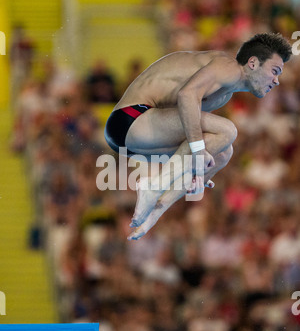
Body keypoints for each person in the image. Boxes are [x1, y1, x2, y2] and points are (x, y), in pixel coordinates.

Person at [104, 33, 292, 240]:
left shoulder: (223, 94)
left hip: (137, 138)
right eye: (275, 71)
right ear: (253, 63)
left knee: (224, 151)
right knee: (227, 131)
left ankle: (156, 210)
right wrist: (197, 152)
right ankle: (154, 186)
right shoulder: (227, 67)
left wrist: (195, 170)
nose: (277, 81)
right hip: (130, 119)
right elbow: (187, 96)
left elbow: (185, 124)